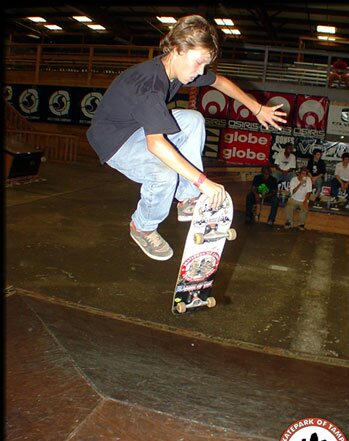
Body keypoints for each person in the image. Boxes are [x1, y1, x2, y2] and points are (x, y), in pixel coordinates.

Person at [86, 15, 286, 261]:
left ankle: (187, 198)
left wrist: (256, 108)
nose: (199, 73)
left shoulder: (176, 67)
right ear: (177, 49)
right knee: (163, 175)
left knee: (193, 120)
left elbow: (220, 82)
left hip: (134, 126)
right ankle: (143, 226)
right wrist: (203, 182)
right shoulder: (150, 85)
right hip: (114, 141)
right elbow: (156, 144)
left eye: (204, 65)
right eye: (198, 63)